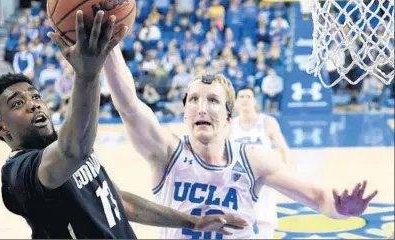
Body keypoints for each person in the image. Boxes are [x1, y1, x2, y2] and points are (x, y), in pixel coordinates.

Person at [0, 10, 248, 239]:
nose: (34, 103)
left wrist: (192, 221)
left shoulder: (63, 150)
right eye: (17, 103)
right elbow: (74, 150)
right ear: (1, 129)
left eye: (36, 96)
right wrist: (87, 73)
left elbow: (118, 200)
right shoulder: (19, 174)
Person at [102, 45, 379, 239]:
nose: (201, 107)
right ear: (185, 113)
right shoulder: (167, 152)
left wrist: (342, 211)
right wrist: (111, 47)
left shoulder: (253, 159)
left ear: (228, 116)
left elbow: (319, 199)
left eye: (212, 100)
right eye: (194, 99)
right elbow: (128, 105)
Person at [230, 86, 291, 239]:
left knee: (265, 220)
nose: (245, 100)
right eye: (241, 97)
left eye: (248, 96)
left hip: (264, 178)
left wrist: (285, 176)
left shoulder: (267, 122)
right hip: (239, 180)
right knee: (239, 223)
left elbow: (284, 149)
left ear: (255, 100)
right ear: (236, 102)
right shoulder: (230, 125)